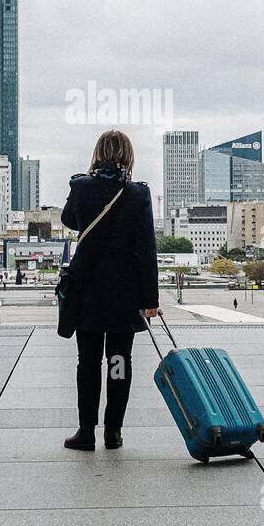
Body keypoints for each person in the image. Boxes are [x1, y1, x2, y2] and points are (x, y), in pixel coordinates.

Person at [59, 130, 159, 452]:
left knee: (87, 363)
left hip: (87, 292)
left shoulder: (82, 187)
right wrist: (150, 300)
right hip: (123, 296)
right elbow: (146, 250)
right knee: (119, 361)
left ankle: (86, 432)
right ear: (129, 156)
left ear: (97, 153)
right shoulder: (138, 195)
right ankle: (113, 432)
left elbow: (68, 220)